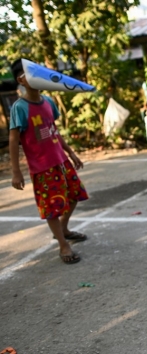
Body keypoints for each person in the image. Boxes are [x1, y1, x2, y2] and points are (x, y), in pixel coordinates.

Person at [9, 59, 90, 264]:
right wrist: (16, 171)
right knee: (52, 207)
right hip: (42, 167)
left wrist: (70, 153)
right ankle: (63, 245)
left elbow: (53, 130)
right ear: (22, 79)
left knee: (73, 197)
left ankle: (63, 231)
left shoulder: (48, 102)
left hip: (61, 161)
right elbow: (13, 139)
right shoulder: (19, 108)